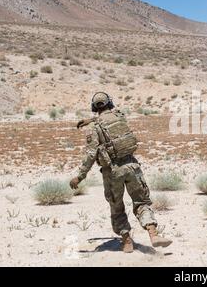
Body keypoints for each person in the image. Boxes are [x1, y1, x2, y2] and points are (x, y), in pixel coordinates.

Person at [70, 92, 172, 253]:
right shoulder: (120, 117)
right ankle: (153, 234)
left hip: (112, 171)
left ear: (93, 107)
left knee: (116, 207)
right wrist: (92, 120)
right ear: (110, 103)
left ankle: (126, 241)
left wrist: (80, 176)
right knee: (141, 202)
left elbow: (91, 155)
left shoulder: (93, 128)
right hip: (132, 166)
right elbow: (108, 118)